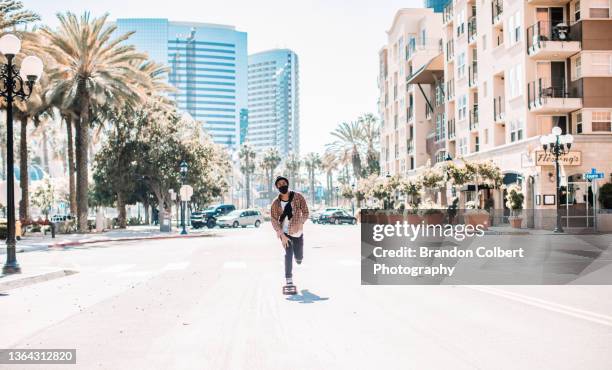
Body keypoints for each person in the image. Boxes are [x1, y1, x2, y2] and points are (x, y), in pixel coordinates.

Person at [270, 176, 309, 289]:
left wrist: (301, 222)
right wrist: (281, 234)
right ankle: (288, 279)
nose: (282, 185)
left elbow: (305, 212)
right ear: (277, 187)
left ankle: (299, 258)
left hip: (297, 232)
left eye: (284, 183)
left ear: (287, 183)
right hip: (285, 233)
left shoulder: (298, 197)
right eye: (279, 184)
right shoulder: (276, 203)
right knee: (288, 254)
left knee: (299, 257)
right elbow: (273, 219)